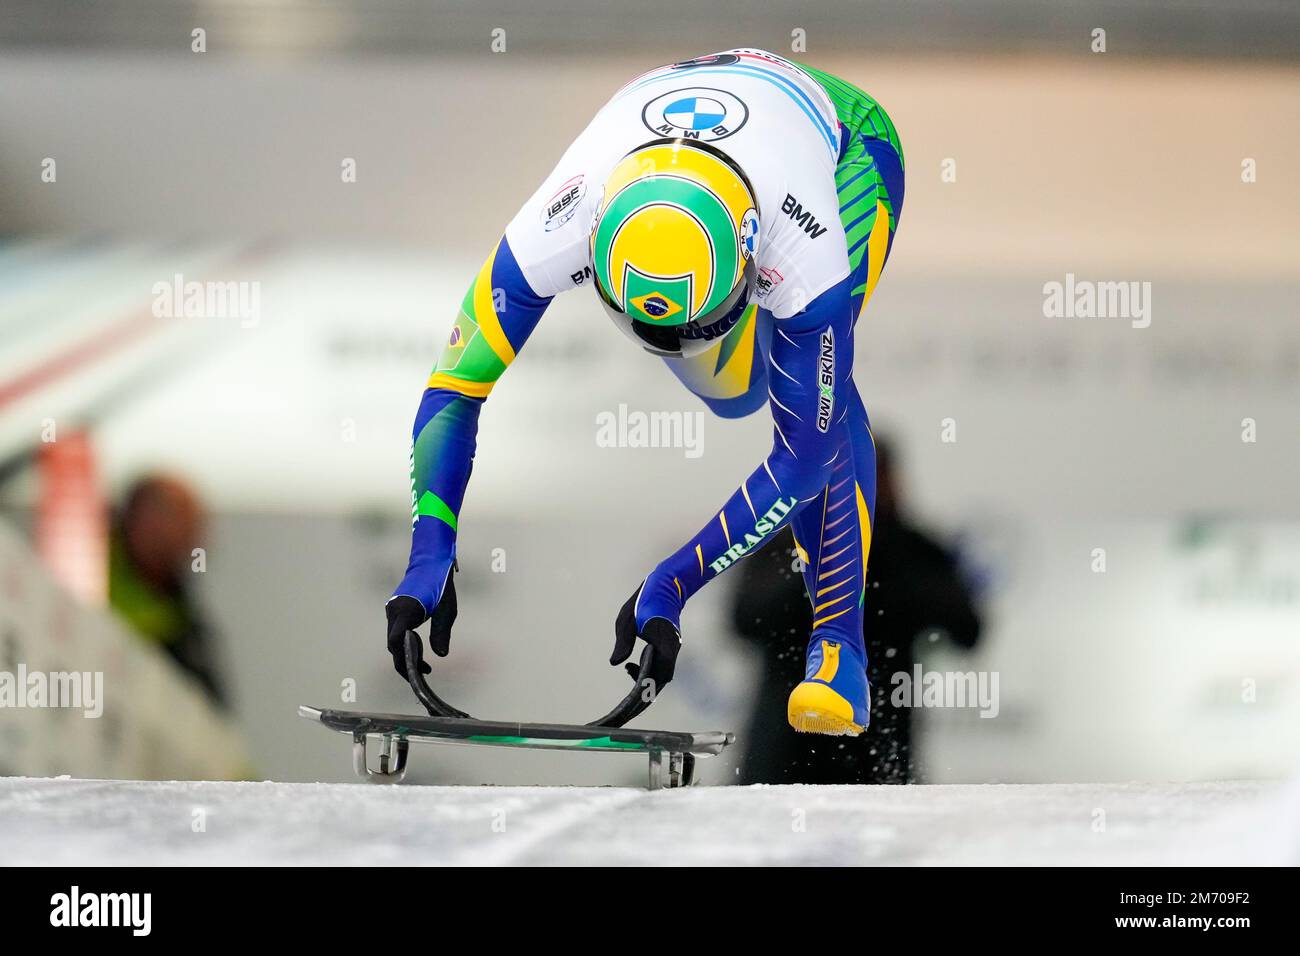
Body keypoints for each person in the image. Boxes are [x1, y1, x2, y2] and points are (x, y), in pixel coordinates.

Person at [386, 49, 904, 736]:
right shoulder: (561, 218)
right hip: (697, 133)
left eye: (700, 327)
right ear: (594, 254)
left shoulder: (801, 244)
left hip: (846, 144)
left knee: (809, 400)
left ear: (752, 263)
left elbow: (803, 463)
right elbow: (453, 388)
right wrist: (429, 552)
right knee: (734, 390)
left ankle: (839, 652)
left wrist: (674, 581)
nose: (674, 349)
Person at [731, 438, 983, 783]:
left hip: (881, 755)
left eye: (870, 477)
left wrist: (880, 550)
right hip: (782, 754)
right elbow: (744, 621)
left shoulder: (914, 550)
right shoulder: (785, 543)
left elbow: (967, 630)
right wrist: (821, 560)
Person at [109, 474, 226, 706]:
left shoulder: (184, 607)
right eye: (187, 523)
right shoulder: (86, 567)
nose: (199, 541)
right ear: (145, 519)